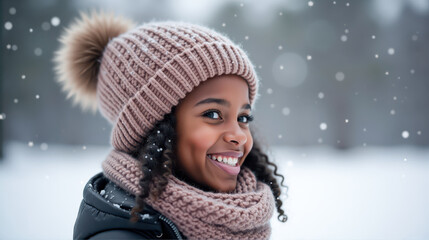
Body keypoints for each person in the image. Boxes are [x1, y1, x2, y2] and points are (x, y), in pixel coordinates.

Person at [54, 11, 287, 240]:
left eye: (243, 118)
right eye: (213, 114)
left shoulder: (234, 223)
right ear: (153, 127)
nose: (239, 136)